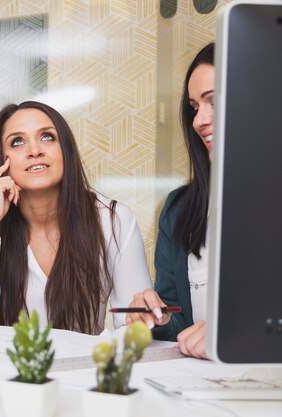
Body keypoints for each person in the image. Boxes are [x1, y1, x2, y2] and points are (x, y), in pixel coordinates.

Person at [0, 101, 151, 334]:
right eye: (17, 142)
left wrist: (143, 318)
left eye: (47, 137)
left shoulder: (113, 220)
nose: (35, 150)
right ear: (2, 161)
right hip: (8, 367)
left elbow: (134, 323)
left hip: (82, 368)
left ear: (66, 149)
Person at [126, 43, 215, 358]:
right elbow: (180, 320)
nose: (198, 121)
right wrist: (157, 317)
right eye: (194, 107)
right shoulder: (178, 210)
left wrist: (226, 333)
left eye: (213, 102)